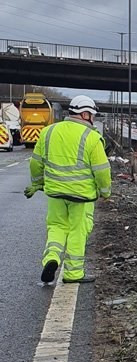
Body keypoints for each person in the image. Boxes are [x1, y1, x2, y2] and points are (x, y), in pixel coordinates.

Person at [25, 95, 111, 284]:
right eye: (92, 115)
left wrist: (38, 184)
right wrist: (105, 192)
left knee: (56, 228)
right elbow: (102, 170)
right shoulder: (91, 137)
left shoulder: (48, 132)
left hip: (55, 193)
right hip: (82, 196)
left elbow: (35, 163)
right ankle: (73, 274)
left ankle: (52, 259)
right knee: (77, 232)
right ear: (85, 114)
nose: (93, 119)